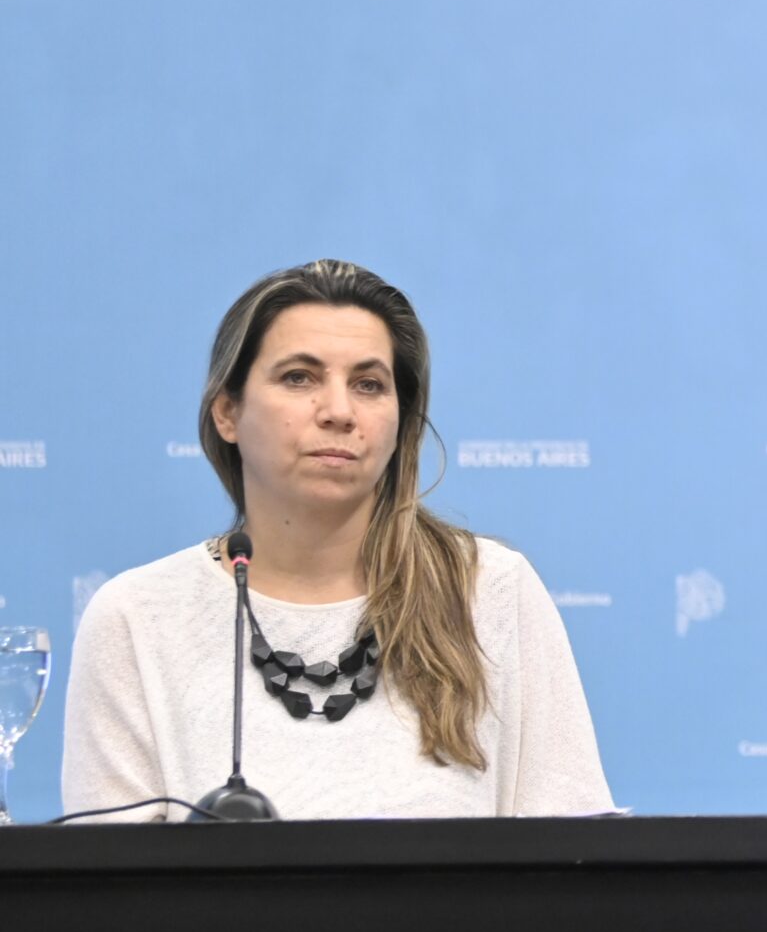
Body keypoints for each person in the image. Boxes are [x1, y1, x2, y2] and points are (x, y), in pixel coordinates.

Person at [60, 260, 613, 820]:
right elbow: (112, 872)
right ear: (227, 412)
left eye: (369, 385)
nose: (340, 412)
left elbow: (576, 854)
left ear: (401, 421)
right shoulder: (137, 617)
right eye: (299, 378)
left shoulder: (490, 591)